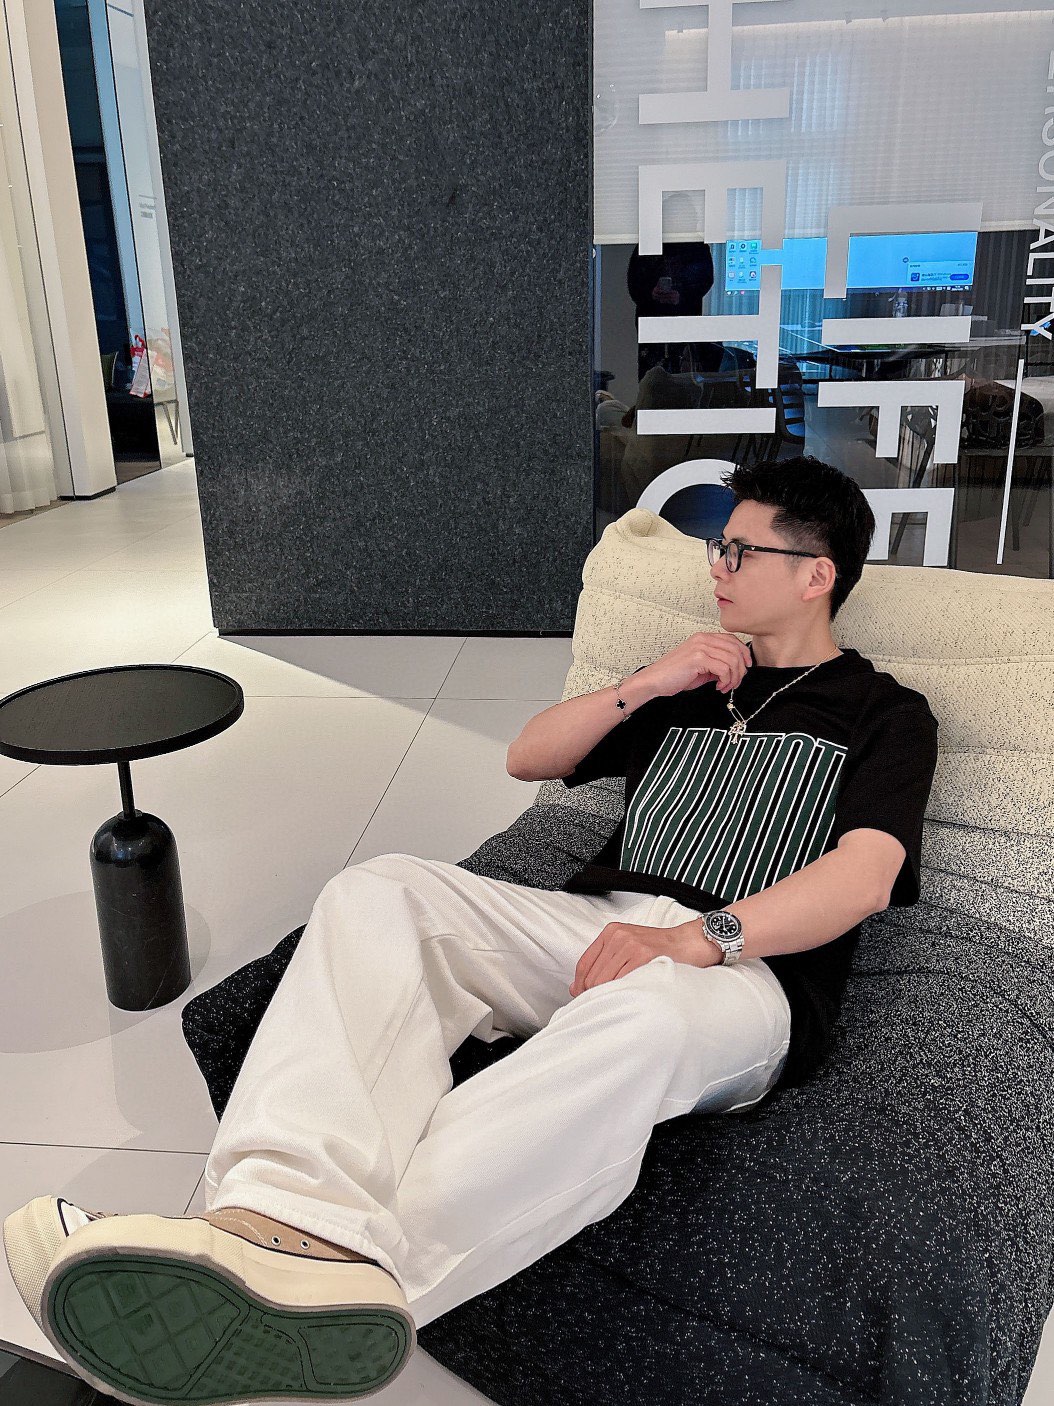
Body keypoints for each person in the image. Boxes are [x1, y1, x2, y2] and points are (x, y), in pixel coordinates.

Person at [3, 454, 939, 1406]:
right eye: (716, 546)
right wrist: (649, 682)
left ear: (816, 574)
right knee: (383, 890)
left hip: (747, 972)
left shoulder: (886, 712)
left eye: (740, 550)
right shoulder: (696, 680)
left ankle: (328, 1277)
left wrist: (697, 940)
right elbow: (529, 756)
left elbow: (865, 876)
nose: (717, 566)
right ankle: (267, 1220)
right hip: (598, 922)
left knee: (647, 1017)